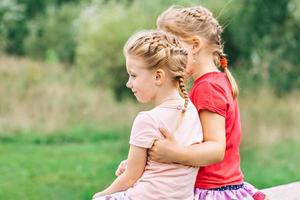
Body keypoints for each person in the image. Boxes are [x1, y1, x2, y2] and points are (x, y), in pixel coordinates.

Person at [116, 5, 268, 200]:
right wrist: (138, 163)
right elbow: (188, 142)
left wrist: (175, 153)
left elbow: (215, 149)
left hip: (211, 191)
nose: (167, 55)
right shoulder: (213, 82)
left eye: (173, 47)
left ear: (194, 45)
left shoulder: (208, 88)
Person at [92, 30, 203, 200]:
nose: (128, 84)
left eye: (133, 75)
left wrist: (102, 194)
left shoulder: (147, 120)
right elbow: (174, 167)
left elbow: (131, 177)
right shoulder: (191, 111)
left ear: (158, 76)